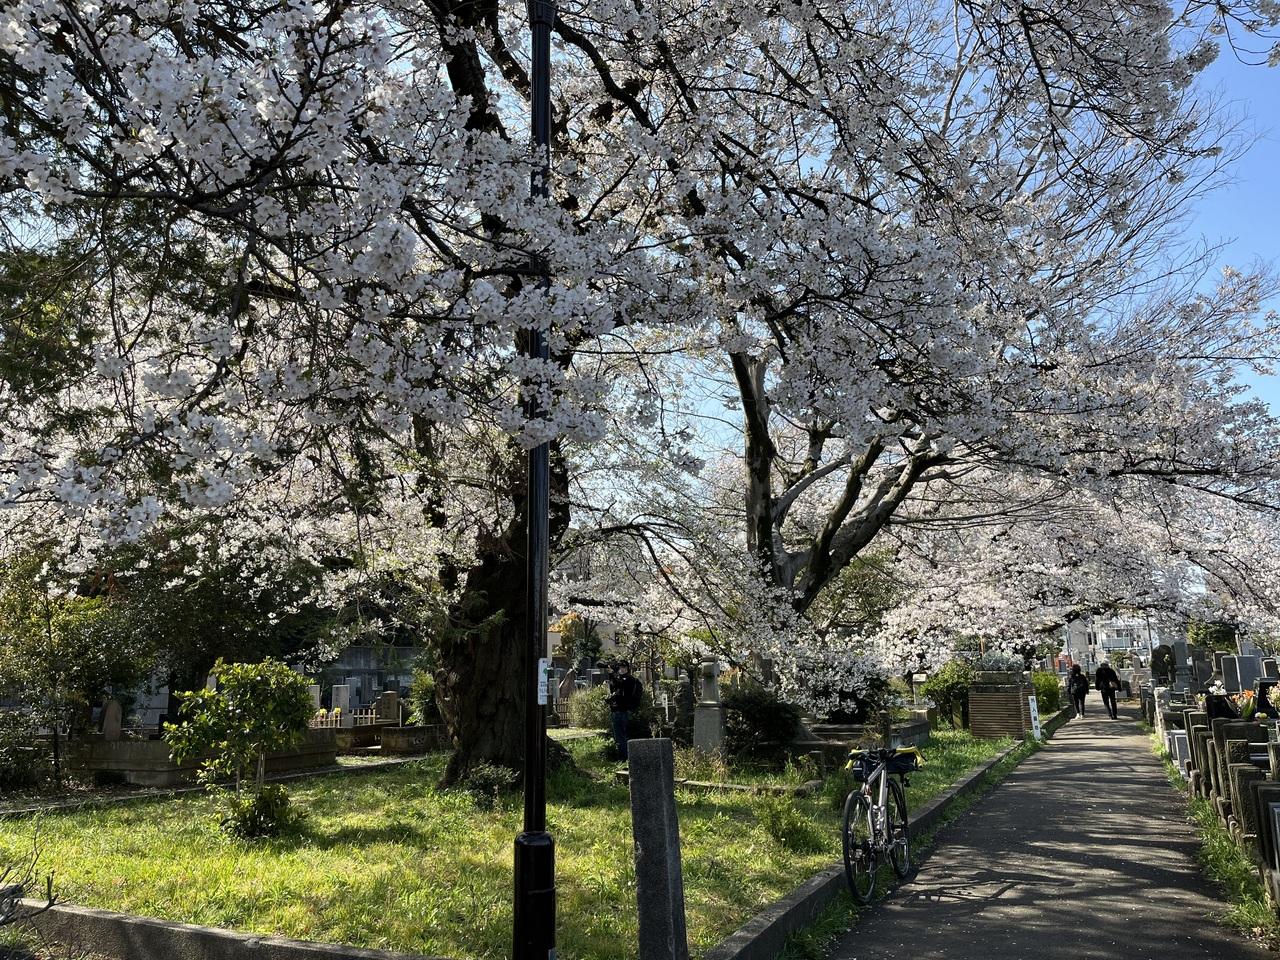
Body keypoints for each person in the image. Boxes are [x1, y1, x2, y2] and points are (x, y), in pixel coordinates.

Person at [606, 660, 643, 761]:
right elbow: (613, 689)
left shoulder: (629, 680)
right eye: (620, 667)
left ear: (627, 668)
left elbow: (621, 687)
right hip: (619, 710)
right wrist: (612, 675)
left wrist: (612, 674)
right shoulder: (620, 679)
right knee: (620, 736)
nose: (621, 670)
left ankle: (625, 758)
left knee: (622, 736)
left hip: (623, 711)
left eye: (623, 668)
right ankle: (624, 757)